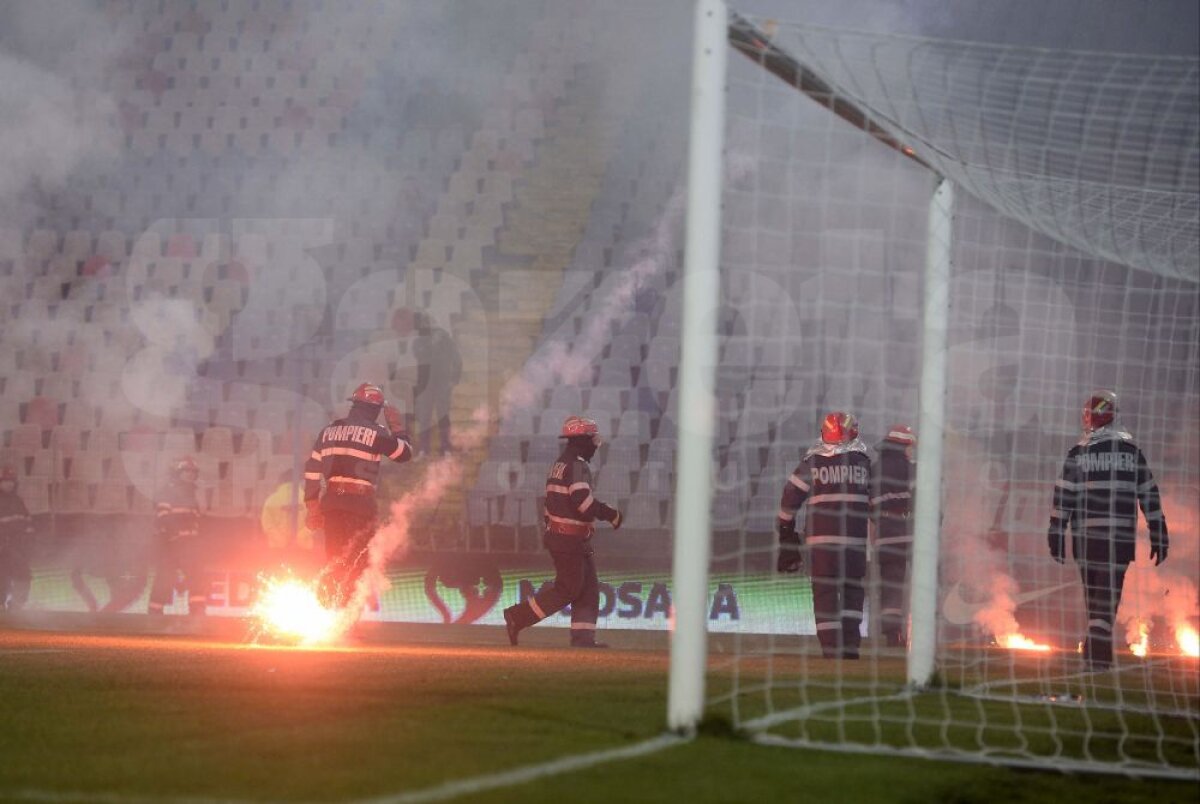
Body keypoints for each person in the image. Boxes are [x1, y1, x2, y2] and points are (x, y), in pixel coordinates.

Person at [1048, 390, 1168, 671]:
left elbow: (1063, 496)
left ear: (1089, 418)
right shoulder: (1132, 454)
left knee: (1094, 596)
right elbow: (1149, 495)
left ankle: (1096, 653)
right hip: (1119, 540)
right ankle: (1097, 653)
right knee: (1107, 595)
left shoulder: (1078, 454)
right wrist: (1158, 530)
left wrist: (1056, 531)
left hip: (1086, 540)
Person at [503, 416, 623, 648]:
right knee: (568, 589)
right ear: (582, 441)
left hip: (569, 538)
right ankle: (517, 616)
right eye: (593, 440)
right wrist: (610, 514)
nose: (595, 445)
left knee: (587, 589)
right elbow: (583, 503)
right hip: (569, 540)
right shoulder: (577, 466)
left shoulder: (561, 464)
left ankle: (583, 639)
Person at [304, 382, 412, 609]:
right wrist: (397, 428)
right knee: (358, 563)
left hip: (333, 502)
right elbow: (404, 455)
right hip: (360, 505)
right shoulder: (377, 433)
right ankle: (345, 614)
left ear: (354, 405)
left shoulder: (328, 431)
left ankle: (329, 610)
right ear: (375, 409)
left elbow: (312, 470)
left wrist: (313, 507)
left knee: (335, 560)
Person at [777, 412, 873, 659]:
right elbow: (875, 502)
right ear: (853, 433)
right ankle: (850, 647)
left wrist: (785, 528)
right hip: (854, 543)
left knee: (824, 594)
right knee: (852, 593)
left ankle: (830, 649)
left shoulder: (812, 463)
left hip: (821, 545)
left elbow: (790, 497)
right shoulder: (863, 463)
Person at [872, 425, 916, 648]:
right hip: (912, 532)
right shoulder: (912, 469)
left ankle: (893, 634)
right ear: (903, 446)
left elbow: (869, 506)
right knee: (922, 583)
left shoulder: (875, 469)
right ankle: (920, 632)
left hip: (886, 533)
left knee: (891, 584)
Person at [148, 456, 207, 616]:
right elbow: (162, 518)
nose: (191, 474)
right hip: (170, 545)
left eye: (193, 472)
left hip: (189, 545)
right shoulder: (167, 492)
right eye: (187, 471)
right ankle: (154, 614)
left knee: (196, 575)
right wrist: (173, 538)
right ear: (177, 473)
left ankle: (197, 612)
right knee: (165, 577)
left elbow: (195, 521)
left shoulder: (191, 494)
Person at [412, 312, 462, 456]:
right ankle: (424, 449)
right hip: (425, 385)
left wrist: (454, 379)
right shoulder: (418, 342)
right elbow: (421, 355)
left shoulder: (445, 339)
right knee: (424, 417)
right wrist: (433, 343)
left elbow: (457, 358)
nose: (426, 325)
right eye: (423, 323)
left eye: (428, 322)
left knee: (443, 416)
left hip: (442, 383)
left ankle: (446, 448)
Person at [0, 466, 35, 610]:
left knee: (23, 575)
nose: (9, 484)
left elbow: (28, 522)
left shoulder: (18, 501)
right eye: (6, 481)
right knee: (3, 576)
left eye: (12, 481)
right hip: (4, 546)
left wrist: (28, 538)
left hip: (17, 546)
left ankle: (16, 606)